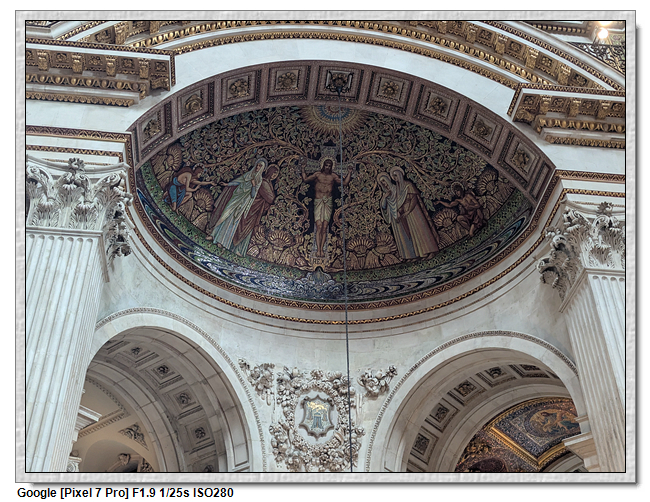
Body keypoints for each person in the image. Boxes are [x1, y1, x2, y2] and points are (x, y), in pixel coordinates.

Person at [208, 158, 268, 250]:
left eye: (260, 166)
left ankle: (222, 242)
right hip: (236, 197)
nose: (257, 167)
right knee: (225, 214)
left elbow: (253, 195)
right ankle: (213, 235)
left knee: (232, 221)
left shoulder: (259, 180)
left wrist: (253, 185)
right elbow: (238, 181)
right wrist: (227, 184)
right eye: (258, 165)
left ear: (262, 168)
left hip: (242, 203)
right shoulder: (248, 174)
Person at [301, 157, 352, 258]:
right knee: (319, 226)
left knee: (324, 227)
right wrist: (303, 168)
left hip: (328, 202)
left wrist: (349, 172)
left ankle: (321, 250)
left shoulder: (333, 176)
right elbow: (305, 179)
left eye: (329, 166)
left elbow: (345, 183)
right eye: (326, 165)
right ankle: (318, 250)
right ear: (323, 166)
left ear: (332, 167)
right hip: (318, 201)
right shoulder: (317, 174)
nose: (328, 167)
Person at [389, 166, 439, 258]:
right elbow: (399, 203)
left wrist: (409, 210)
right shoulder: (398, 189)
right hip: (406, 213)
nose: (395, 178)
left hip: (414, 211)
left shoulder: (408, 185)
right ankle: (420, 253)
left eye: (396, 176)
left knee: (421, 229)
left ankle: (430, 250)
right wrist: (399, 212)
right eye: (393, 177)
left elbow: (414, 198)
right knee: (413, 233)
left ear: (400, 175)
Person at [230, 164, 279, 256]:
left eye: (276, 175)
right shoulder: (264, 183)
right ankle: (234, 247)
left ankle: (240, 249)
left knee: (248, 229)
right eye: (273, 173)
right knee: (243, 227)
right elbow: (270, 198)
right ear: (269, 172)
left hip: (257, 210)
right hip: (252, 208)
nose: (274, 176)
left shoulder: (269, 183)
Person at [378, 172, 416, 260]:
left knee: (408, 234)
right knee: (401, 238)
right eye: (382, 183)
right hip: (394, 218)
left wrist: (398, 210)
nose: (384, 184)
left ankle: (414, 254)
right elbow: (383, 207)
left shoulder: (396, 188)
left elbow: (402, 199)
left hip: (401, 215)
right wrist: (384, 197)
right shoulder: (386, 194)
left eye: (384, 181)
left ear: (388, 180)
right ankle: (407, 256)